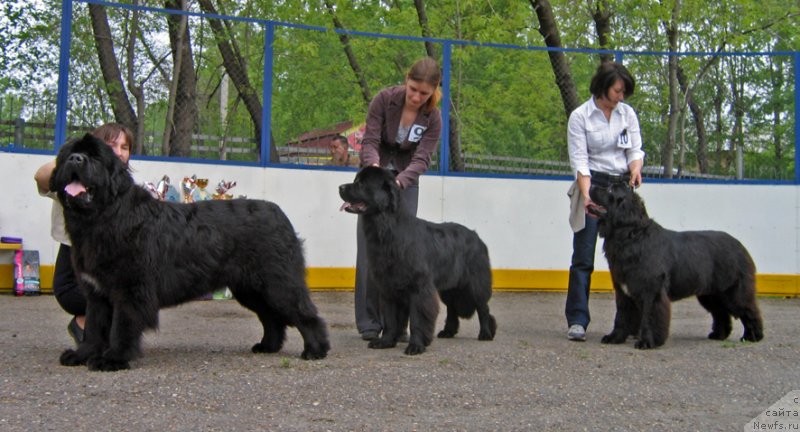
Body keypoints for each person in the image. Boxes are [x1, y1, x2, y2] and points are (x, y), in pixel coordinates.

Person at [355, 56, 443, 341]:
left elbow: (423, 158)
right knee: (371, 253)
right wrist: (374, 169)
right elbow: (369, 140)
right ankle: (369, 322)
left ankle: (397, 326)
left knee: (404, 256)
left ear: (434, 91)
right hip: (374, 182)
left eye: (424, 93)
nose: (417, 97)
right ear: (406, 80)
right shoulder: (383, 100)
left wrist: (399, 182)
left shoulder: (434, 118)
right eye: (413, 89)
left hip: (406, 184)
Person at [565, 62, 645, 341]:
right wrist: (586, 196)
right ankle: (577, 320)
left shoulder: (627, 114)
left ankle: (630, 323)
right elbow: (580, 161)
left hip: (622, 189)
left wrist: (635, 168)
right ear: (602, 86)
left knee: (630, 259)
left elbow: (635, 149)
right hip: (594, 186)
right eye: (617, 91)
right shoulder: (580, 117)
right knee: (583, 256)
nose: (621, 97)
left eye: (625, 92)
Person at [34, 123, 134, 345]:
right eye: (111, 145)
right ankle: (90, 323)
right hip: (74, 263)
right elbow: (41, 176)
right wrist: (75, 157)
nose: (118, 151)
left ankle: (95, 328)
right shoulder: (71, 176)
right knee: (74, 296)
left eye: (124, 147)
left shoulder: (122, 185)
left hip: (112, 265)